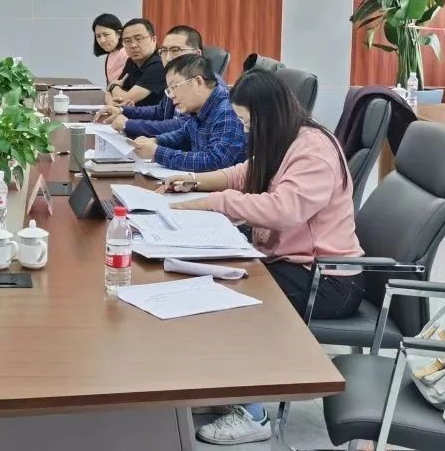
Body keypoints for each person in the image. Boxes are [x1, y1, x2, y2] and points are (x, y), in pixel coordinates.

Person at [161, 69, 364, 445]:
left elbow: (283, 210)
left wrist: (214, 202)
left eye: (249, 124)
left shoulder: (313, 151)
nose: (247, 132)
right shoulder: (286, 138)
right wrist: (194, 180)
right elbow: (247, 173)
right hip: (293, 262)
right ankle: (226, 387)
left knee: (231, 297)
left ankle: (253, 413)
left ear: (269, 116)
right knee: (210, 275)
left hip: (327, 279)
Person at [129, 54, 246, 171]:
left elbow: (215, 160)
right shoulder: (200, 108)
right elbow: (184, 135)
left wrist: (157, 152)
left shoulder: (228, 110)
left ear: (198, 82)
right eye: (169, 90)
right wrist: (156, 141)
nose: (171, 95)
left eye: (174, 87)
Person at [95, 24, 204, 137]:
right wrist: (122, 110)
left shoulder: (200, 85)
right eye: (164, 50)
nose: (167, 58)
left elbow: (183, 125)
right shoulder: (175, 79)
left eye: (175, 50)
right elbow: (159, 111)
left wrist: (129, 124)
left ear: (197, 54)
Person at [106, 17, 168, 108]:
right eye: (127, 41)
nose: (133, 45)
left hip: (154, 116)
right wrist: (112, 98)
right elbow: (109, 94)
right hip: (133, 114)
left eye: (139, 39)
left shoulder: (159, 64)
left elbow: (125, 99)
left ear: (154, 40)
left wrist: (113, 86)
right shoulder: (131, 61)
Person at [92, 13, 128, 87]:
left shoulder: (125, 53)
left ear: (119, 34)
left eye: (106, 35)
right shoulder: (111, 54)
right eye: (98, 36)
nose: (102, 40)